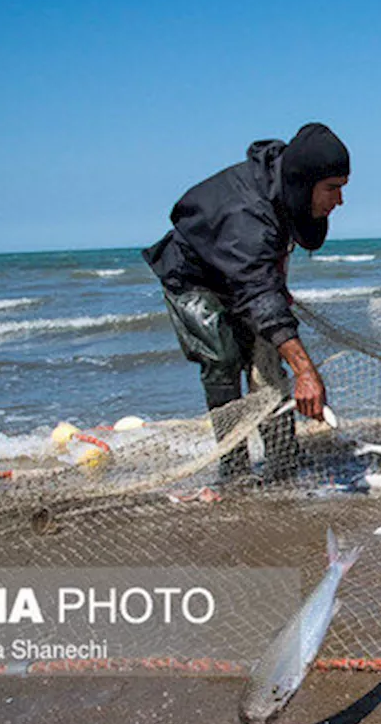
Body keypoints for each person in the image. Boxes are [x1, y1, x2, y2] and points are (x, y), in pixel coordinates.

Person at [143, 124, 349, 483]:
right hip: (194, 279)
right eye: (332, 189)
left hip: (244, 271)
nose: (340, 201)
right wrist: (305, 372)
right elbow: (258, 290)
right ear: (305, 182)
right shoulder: (246, 216)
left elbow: (275, 252)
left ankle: (283, 463)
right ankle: (234, 468)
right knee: (223, 357)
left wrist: (277, 285)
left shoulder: (285, 182)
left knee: (268, 362)